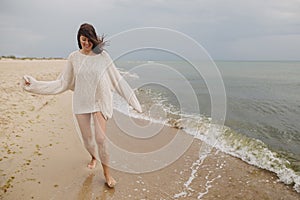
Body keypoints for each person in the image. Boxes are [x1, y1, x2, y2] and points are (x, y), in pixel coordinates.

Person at [22, 23, 142, 188]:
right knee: (88, 141)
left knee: (101, 139)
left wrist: (134, 103)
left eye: (89, 40)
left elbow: (117, 80)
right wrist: (34, 85)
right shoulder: (74, 58)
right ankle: (93, 157)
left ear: (94, 39)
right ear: (79, 39)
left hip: (100, 101)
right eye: (83, 39)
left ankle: (107, 174)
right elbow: (62, 83)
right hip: (81, 102)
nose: (86, 43)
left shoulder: (103, 56)